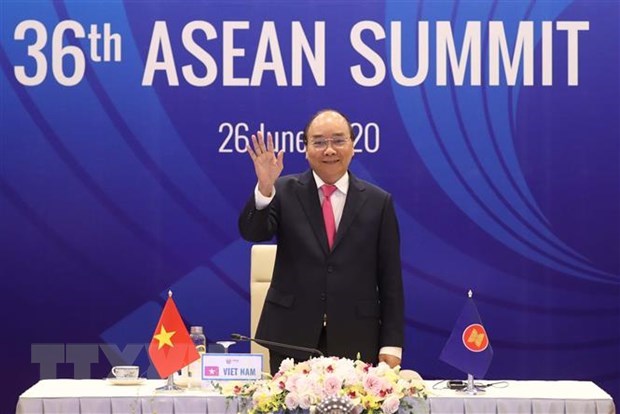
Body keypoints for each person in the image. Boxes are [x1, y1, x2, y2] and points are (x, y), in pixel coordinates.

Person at [239, 109, 404, 374]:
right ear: (305, 149)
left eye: (338, 140)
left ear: (352, 146)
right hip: (290, 337)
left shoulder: (378, 201)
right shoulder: (282, 190)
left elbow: (391, 279)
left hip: (357, 337)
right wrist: (265, 188)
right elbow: (253, 232)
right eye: (319, 142)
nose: (329, 150)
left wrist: (392, 345)